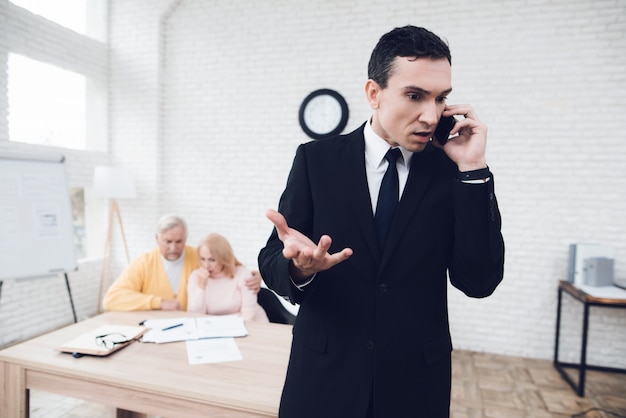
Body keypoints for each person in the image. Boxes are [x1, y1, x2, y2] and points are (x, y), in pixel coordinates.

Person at [258, 25, 505, 417]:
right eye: (414, 95)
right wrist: (299, 268)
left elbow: (479, 281)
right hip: (324, 379)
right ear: (374, 93)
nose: (431, 114)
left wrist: (473, 169)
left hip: (415, 386)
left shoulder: (453, 171)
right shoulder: (316, 160)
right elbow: (272, 258)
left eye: (441, 99)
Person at [103, 214, 261, 311]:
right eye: (168, 241)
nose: (173, 248)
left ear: (186, 238)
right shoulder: (144, 262)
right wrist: (159, 302)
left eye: (179, 241)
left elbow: (230, 265)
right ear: (157, 238)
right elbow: (111, 299)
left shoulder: (199, 255)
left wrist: (256, 275)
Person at [187, 233, 268, 322]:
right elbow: (194, 316)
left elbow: (249, 315)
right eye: (203, 259)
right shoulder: (195, 277)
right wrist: (201, 287)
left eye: (212, 260)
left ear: (223, 258)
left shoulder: (242, 274)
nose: (206, 265)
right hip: (217, 328)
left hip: (252, 325)